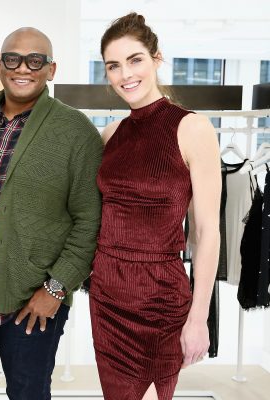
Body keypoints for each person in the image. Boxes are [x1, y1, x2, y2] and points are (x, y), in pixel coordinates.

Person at [0, 27, 102, 399]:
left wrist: (56, 288)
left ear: (52, 69)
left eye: (36, 60)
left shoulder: (76, 133)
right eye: (13, 59)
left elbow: (89, 221)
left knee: (28, 394)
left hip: (32, 304)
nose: (23, 68)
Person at [89, 13, 221, 400]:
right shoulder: (110, 134)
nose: (125, 74)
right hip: (107, 295)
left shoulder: (193, 128)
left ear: (156, 59)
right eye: (113, 65)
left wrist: (200, 317)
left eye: (135, 60)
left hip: (160, 299)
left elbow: (207, 233)